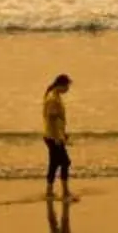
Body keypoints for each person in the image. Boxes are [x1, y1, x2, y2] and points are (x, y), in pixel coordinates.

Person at [42, 73, 76, 202]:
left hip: (53, 135)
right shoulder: (53, 98)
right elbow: (52, 119)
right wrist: (58, 137)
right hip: (52, 136)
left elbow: (58, 120)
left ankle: (50, 191)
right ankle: (65, 192)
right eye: (67, 86)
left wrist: (63, 134)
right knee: (65, 162)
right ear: (61, 85)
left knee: (55, 163)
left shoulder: (55, 96)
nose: (67, 90)